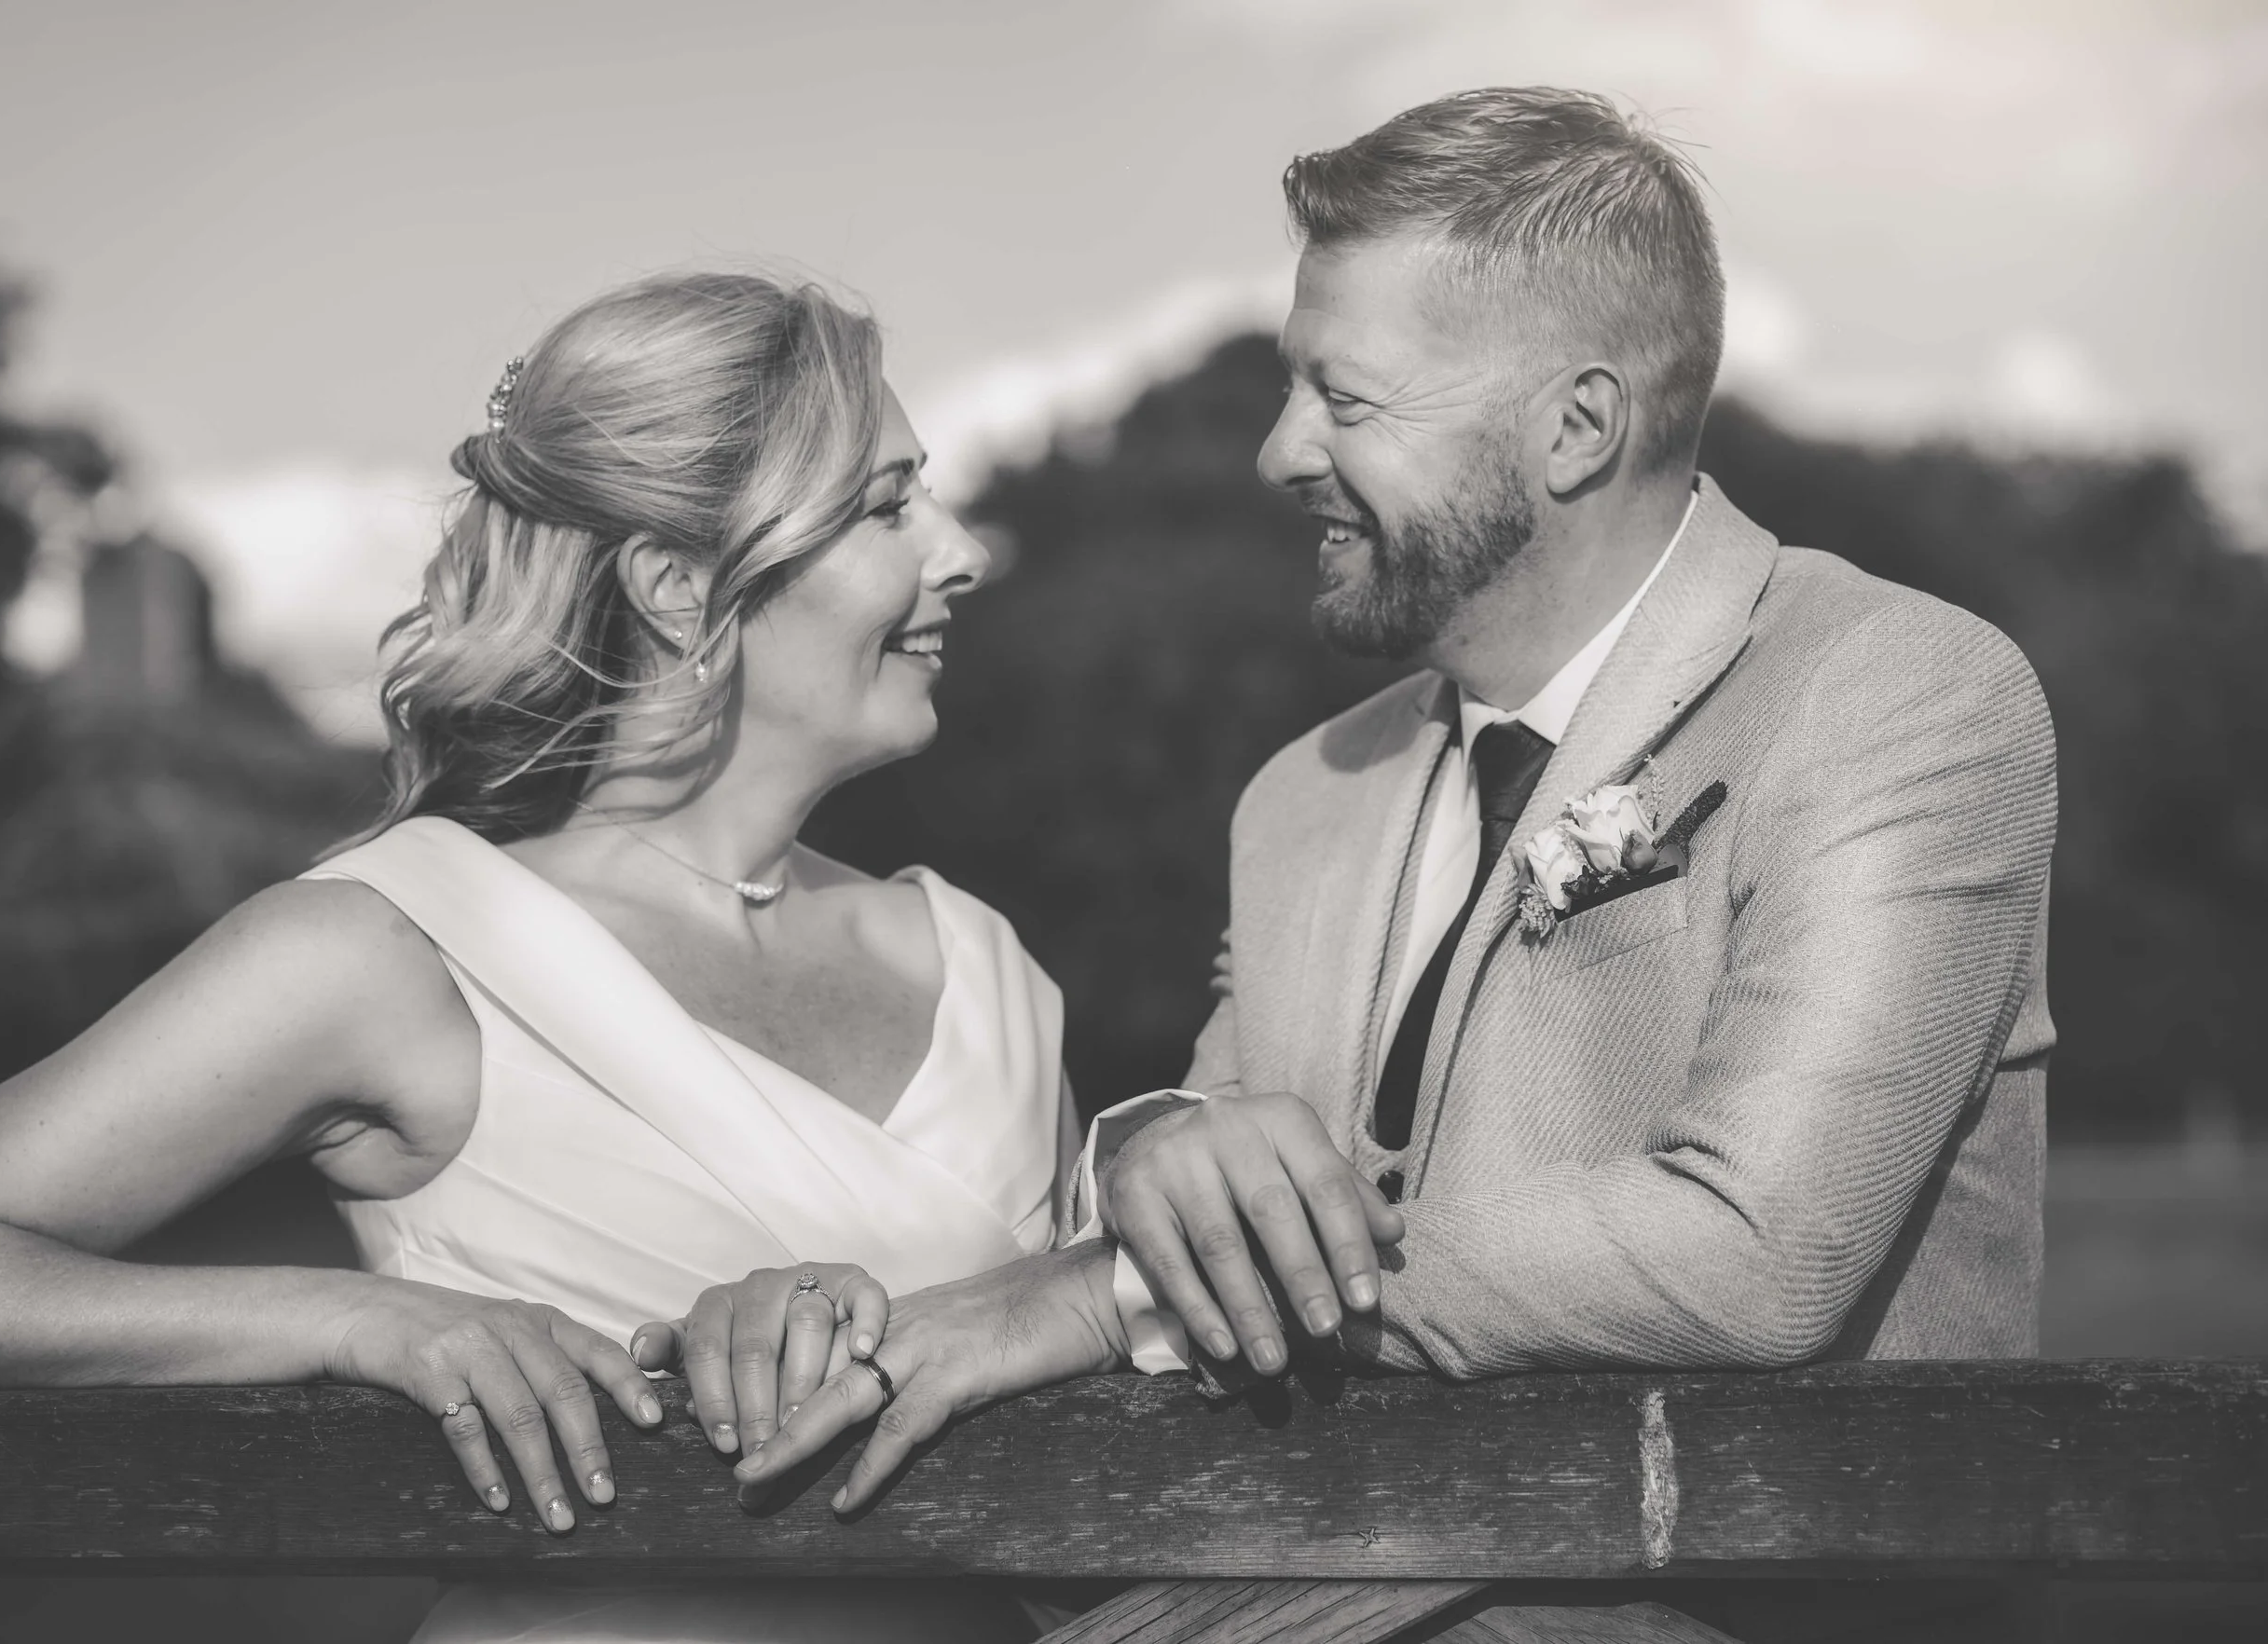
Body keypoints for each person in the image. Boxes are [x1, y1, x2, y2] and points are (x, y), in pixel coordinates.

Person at [749, 86, 2057, 1508]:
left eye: (1345, 398)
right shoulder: (1301, 793)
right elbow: (1222, 1131)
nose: (1278, 450)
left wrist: (1114, 1300)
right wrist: (1151, 1151)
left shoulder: (1900, 692)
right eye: (1291, 382)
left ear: (1577, 429)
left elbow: (1756, 1249)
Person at [0, 270, 1127, 1644]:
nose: (962, 551)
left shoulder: (979, 967)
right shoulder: (392, 949)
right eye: (886, 507)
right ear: (682, 586)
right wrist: (348, 1326)